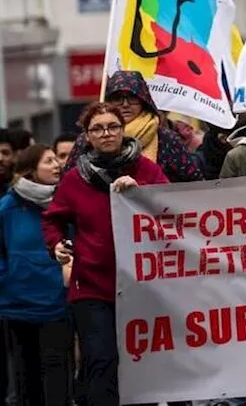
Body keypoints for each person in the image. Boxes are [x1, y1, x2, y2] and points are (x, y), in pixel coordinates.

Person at [43, 101, 169, 406]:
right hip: (93, 286)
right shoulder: (75, 178)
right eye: (97, 129)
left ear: (122, 130)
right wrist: (57, 245)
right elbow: (53, 218)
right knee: (101, 359)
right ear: (87, 136)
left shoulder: (146, 169)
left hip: (141, 283)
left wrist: (141, 191)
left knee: (142, 362)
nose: (106, 133)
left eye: (113, 126)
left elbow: (170, 209)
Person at [0, 144, 74, 406]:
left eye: (57, 160)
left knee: (58, 376)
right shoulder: (7, 207)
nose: (57, 165)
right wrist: (7, 280)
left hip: (56, 303)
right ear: (31, 170)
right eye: (48, 161)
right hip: (17, 305)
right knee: (25, 377)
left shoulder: (65, 202)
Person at [64, 70, 203, 182]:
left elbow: (193, 181)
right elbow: (66, 183)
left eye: (132, 97)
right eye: (118, 98)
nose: (125, 104)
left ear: (143, 100)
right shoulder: (87, 138)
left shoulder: (164, 138)